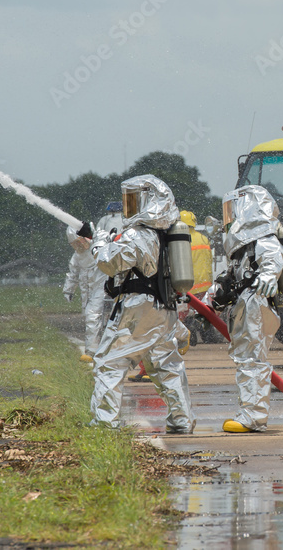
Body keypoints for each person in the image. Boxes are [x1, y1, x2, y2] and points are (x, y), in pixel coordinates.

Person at [87, 174, 195, 433]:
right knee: (166, 366)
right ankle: (182, 420)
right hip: (163, 308)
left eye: (134, 200)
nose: (129, 207)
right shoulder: (166, 233)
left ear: (149, 201)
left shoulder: (137, 234)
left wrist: (99, 243)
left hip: (138, 307)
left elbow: (109, 263)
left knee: (110, 363)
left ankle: (105, 422)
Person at [205, 185, 283, 433]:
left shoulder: (264, 239)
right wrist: (209, 300)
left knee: (252, 361)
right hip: (247, 304)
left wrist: (269, 276)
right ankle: (250, 413)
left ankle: (253, 417)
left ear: (248, 210)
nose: (229, 219)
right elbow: (228, 279)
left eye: (233, 212)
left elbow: (275, 257)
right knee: (246, 360)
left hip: (256, 304)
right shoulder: (243, 249)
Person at [63, 225, 108, 363]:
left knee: (93, 317)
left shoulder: (99, 245)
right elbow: (73, 273)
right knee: (92, 318)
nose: (79, 246)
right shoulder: (78, 256)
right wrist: (68, 290)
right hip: (88, 291)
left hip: (102, 287)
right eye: (75, 244)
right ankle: (98, 350)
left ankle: (92, 351)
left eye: (80, 242)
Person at [179, 209, 214, 345]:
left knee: (183, 314)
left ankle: (188, 330)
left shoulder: (181, 240)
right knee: (205, 312)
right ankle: (206, 333)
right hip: (205, 284)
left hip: (189, 285)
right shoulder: (204, 238)